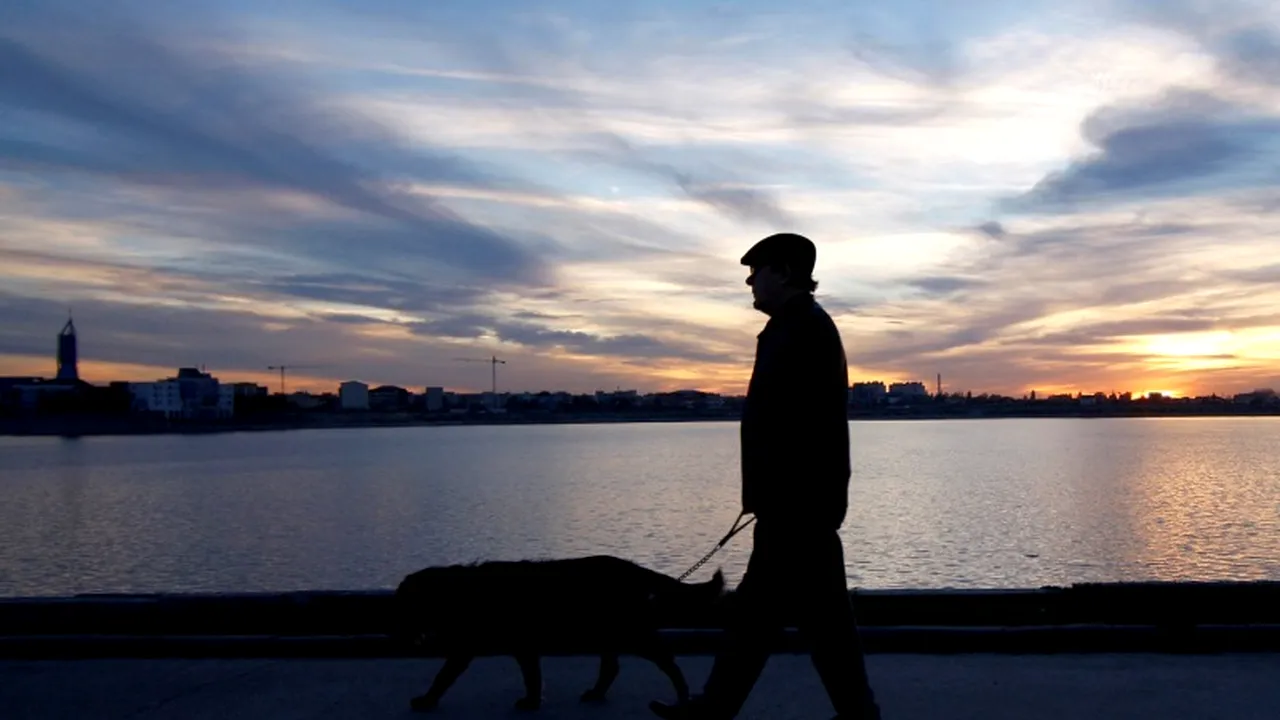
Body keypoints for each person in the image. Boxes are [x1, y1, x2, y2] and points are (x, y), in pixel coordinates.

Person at [651, 233, 881, 720]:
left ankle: (724, 708)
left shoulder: (801, 329)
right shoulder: (799, 327)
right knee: (774, 620)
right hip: (797, 503)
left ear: (783, 272)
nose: (750, 281)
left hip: (796, 506)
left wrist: (772, 492)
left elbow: (795, 426)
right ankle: (718, 707)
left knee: (800, 623)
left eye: (757, 272)